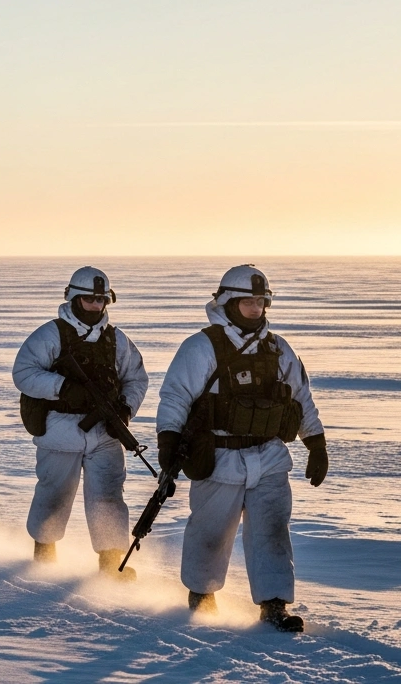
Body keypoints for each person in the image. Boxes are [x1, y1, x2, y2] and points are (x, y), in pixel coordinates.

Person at [156, 265, 328, 632]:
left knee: (272, 530)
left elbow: (301, 397)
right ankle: (201, 594)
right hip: (219, 456)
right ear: (229, 302)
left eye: (261, 302)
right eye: (248, 301)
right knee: (211, 530)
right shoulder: (201, 346)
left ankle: (274, 604)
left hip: (269, 456)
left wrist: (315, 441)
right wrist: (168, 441)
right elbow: (175, 398)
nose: (256, 309)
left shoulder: (279, 348)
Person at [13, 267, 149, 576]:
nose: (96, 306)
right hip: (59, 427)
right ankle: (44, 551)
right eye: (89, 300)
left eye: (102, 300)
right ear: (74, 299)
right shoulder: (51, 334)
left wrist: (125, 411)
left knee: (109, 495)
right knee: (54, 491)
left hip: (105, 432)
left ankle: (110, 560)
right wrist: (62, 388)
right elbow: (23, 373)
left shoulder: (117, 339)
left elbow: (137, 379)